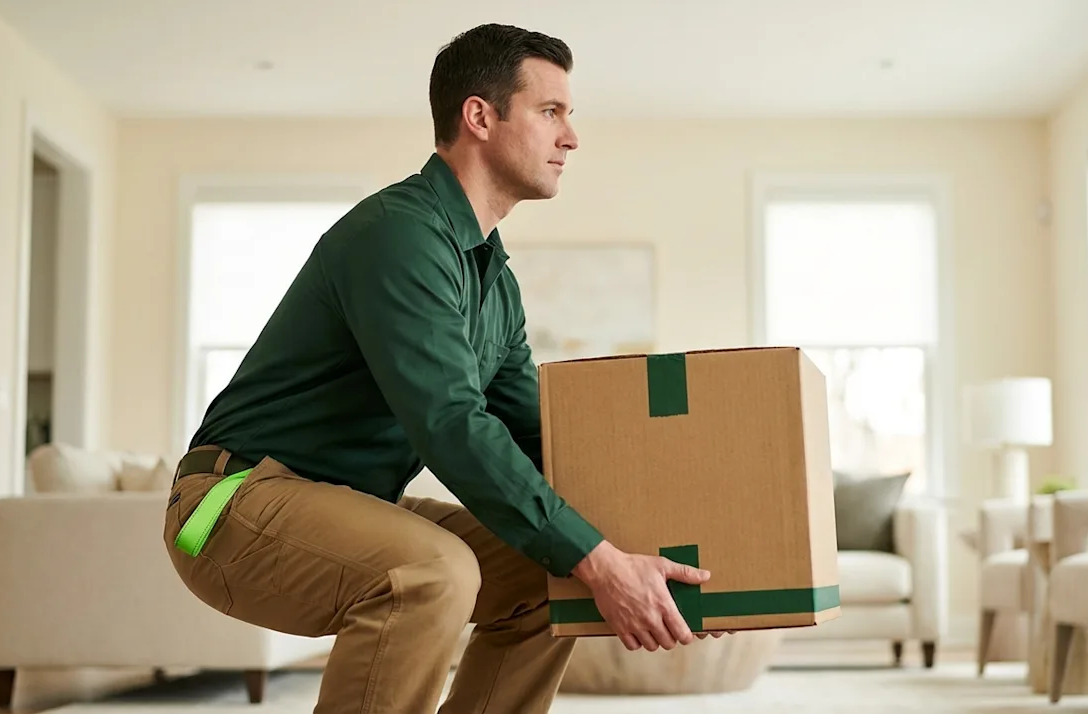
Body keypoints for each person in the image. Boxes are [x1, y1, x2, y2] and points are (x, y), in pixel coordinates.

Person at [162, 22, 725, 714]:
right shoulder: (399, 235)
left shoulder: (494, 282)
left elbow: (541, 440)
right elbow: (452, 425)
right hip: (230, 506)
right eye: (551, 112)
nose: (571, 138)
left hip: (349, 502)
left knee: (546, 574)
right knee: (433, 572)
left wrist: (659, 558)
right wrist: (601, 560)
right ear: (480, 117)